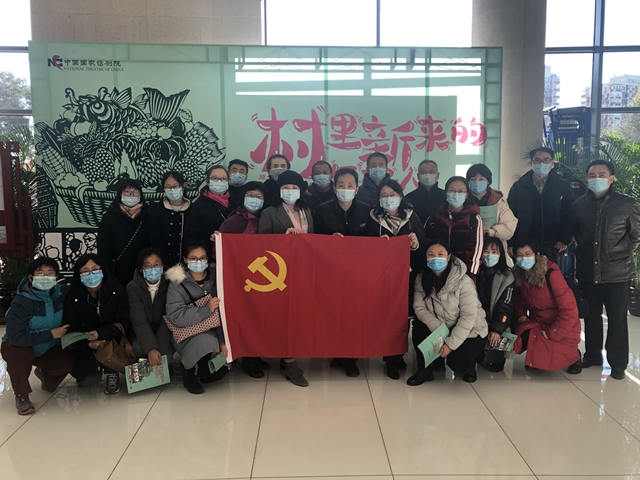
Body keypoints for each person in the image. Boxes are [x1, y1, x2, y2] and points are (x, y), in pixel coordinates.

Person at [571, 160, 640, 380]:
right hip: (587, 270)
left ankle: (618, 364)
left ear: (611, 178)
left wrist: (619, 254)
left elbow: (636, 236)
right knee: (591, 316)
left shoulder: (627, 204)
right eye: (592, 175)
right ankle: (592, 356)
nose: (596, 179)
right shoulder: (579, 204)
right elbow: (577, 235)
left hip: (617, 272)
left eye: (601, 174)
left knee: (616, 318)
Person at [366, 179, 427, 379]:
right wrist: (377, 245)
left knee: (405, 317)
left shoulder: (412, 217)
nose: (388, 199)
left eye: (392, 195)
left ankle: (398, 354)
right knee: (389, 318)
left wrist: (416, 244)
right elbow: (364, 247)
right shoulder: (373, 219)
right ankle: (390, 359)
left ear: (400, 197)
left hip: (408, 277)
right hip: (384, 278)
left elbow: (424, 245)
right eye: (384, 195)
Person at [259, 170, 314, 387]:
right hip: (279, 273)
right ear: (279, 190)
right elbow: (261, 245)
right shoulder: (269, 212)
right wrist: (282, 240)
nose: (290, 191)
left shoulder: (307, 211)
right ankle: (291, 363)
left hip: (304, 271)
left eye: (294, 187)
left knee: (300, 314)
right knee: (285, 315)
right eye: (286, 187)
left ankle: (288, 355)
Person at [314, 167, 370, 377]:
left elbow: (373, 240)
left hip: (358, 273)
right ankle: (337, 352)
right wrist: (330, 242)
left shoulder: (367, 210)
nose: (345, 189)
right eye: (341, 185)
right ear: (334, 187)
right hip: (331, 272)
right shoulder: (322, 210)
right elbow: (315, 241)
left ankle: (351, 358)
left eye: (350, 185)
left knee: (355, 315)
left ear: (356, 189)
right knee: (334, 314)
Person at [1, 258, 73, 415]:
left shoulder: (62, 294)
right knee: (18, 353)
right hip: (20, 346)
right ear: (31, 277)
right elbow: (16, 337)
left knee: (66, 361)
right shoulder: (21, 302)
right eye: (40, 273)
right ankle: (22, 396)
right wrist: (51, 334)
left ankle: (44, 374)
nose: (45, 277)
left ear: (56, 276)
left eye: (50, 273)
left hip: (47, 347)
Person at [410, 240, 488, 385]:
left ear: (448, 257)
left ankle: (470, 366)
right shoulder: (421, 278)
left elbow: (468, 316)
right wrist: (439, 330)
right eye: (431, 255)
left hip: (471, 330)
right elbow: (419, 307)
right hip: (441, 325)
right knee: (419, 326)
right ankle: (424, 370)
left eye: (440, 254)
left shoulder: (463, 280)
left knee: (457, 364)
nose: (435, 258)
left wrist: (450, 345)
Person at [219, 181, 271, 378]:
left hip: (262, 278)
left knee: (260, 317)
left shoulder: (266, 218)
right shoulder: (234, 220)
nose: (254, 199)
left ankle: (256, 355)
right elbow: (220, 250)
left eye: (259, 196)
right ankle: (248, 360)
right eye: (250, 195)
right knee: (246, 317)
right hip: (240, 278)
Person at [165, 242, 229, 394]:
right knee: (205, 342)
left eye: (202, 258)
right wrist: (205, 310)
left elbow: (223, 314)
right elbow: (176, 316)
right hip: (187, 335)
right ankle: (189, 371)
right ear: (185, 259)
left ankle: (200, 369)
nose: (198, 262)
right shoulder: (176, 284)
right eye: (193, 259)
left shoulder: (216, 279)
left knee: (217, 373)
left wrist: (222, 341)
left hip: (214, 332)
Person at [64, 254, 132, 395]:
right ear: (78, 274)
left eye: (95, 269)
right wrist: (88, 343)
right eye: (85, 271)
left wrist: (100, 333)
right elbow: (71, 329)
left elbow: (124, 321)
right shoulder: (72, 296)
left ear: (102, 270)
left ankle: (111, 371)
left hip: (113, 339)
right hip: (85, 343)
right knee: (88, 381)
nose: (91, 274)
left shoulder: (117, 290)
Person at [511, 240, 582, 374]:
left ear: (537, 255)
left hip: (562, 324)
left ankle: (574, 357)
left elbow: (569, 310)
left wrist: (553, 332)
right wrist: (521, 313)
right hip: (538, 322)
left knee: (558, 350)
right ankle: (539, 357)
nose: (524, 259)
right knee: (523, 334)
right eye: (519, 256)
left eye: (528, 254)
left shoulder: (551, 274)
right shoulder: (519, 275)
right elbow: (517, 299)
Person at [507, 147, 574, 263]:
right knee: (525, 274)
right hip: (525, 244)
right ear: (531, 163)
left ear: (552, 163)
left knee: (552, 273)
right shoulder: (519, 187)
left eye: (546, 160)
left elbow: (570, 213)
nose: (541, 163)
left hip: (554, 244)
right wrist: (511, 243)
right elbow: (510, 215)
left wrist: (565, 239)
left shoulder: (563, 186)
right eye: (537, 160)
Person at [425, 176, 483, 279]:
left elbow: (476, 250)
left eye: (461, 191)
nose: (456, 194)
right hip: (436, 271)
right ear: (446, 193)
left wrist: (470, 275)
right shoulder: (434, 217)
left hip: (463, 274)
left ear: (467, 195)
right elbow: (426, 243)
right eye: (452, 191)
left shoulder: (474, 219)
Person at [97, 178, 150, 286]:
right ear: (120, 194)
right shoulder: (109, 217)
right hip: (117, 273)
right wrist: (107, 273)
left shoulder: (149, 215)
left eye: (135, 192)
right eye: (127, 192)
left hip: (144, 271)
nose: (132, 195)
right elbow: (103, 249)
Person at [475, 237, 516, 372]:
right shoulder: (475, 274)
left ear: (501, 254)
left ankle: (498, 356)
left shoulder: (507, 276)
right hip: (477, 319)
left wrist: (496, 329)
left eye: (494, 252)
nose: (489, 255)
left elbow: (506, 307)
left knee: (497, 338)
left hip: (499, 319)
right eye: (486, 251)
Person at [127, 248, 173, 366]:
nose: (153, 269)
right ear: (141, 269)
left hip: (166, 333)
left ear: (162, 266)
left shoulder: (171, 284)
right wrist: (151, 348)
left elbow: (169, 318)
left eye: (156, 265)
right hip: (143, 333)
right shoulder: (132, 287)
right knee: (138, 348)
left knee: (165, 358)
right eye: (148, 266)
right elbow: (139, 320)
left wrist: (158, 349)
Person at [185, 165, 238, 255]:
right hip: (209, 255)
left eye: (223, 179)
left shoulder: (235, 202)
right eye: (215, 178)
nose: (219, 181)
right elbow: (192, 236)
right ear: (208, 181)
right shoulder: (199, 205)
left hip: (232, 253)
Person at [466, 163, 518, 249]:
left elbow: (509, 226)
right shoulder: (463, 200)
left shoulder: (498, 200)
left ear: (488, 181)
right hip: (469, 246)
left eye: (481, 179)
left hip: (494, 247)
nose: (477, 182)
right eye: (473, 179)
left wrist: (490, 232)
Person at [149, 171, 192, 267]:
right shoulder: (156, 209)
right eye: (168, 187)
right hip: (163, 263)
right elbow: (155, 239)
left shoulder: (193, 209)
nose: (172, 190)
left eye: (175, 186)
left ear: (183, 186)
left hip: (188, 262)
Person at [405, 160, 447, 224]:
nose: (428, 175)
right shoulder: (409, 198)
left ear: (438, 175)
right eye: (423, 172)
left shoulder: (446, 196)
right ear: (418, 176)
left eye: (431, 172)